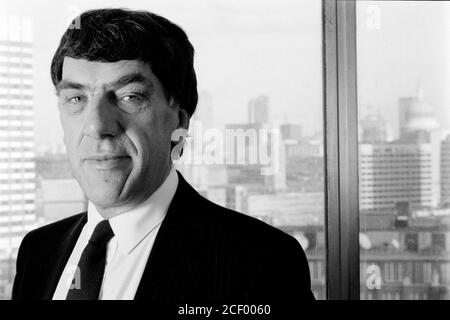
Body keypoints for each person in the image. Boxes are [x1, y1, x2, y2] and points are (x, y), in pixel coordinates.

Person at [11, 8, 314, 302]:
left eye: (130, 96)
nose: (97, 125)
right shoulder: (37, 251)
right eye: (76, 98)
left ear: (179, 122)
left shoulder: (260, 261)